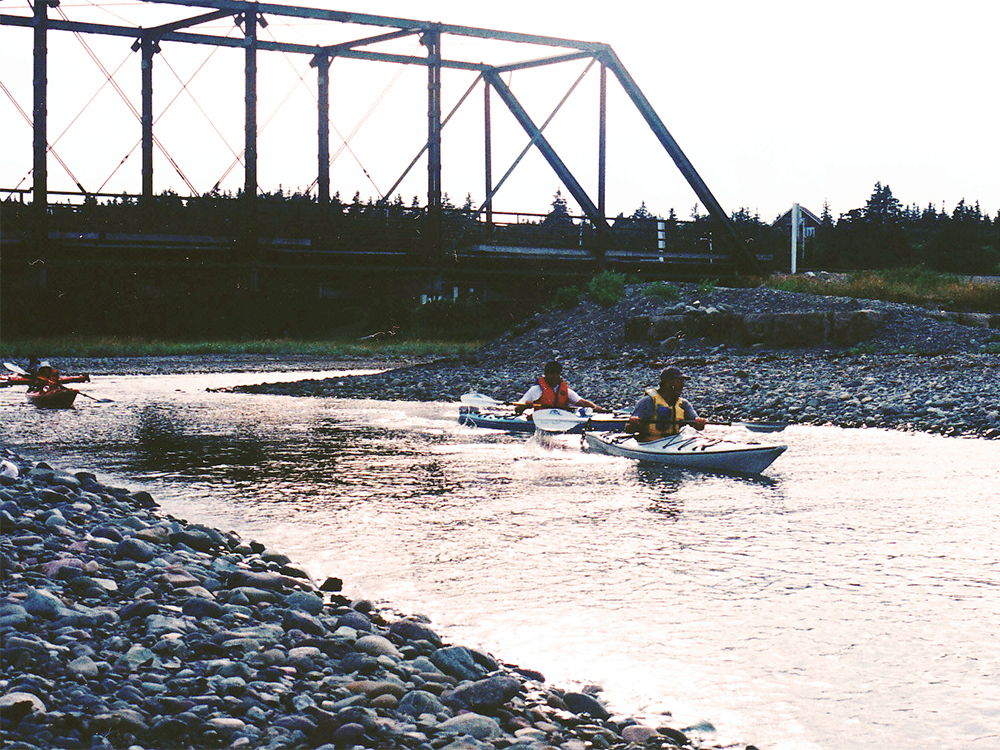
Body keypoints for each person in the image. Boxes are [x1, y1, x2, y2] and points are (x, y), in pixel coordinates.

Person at [625, 365, 707, 441]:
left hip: (674, 443)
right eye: (679, 381)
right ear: (667, 383)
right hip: (649, 443)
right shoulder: (647, 401)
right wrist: (634, 423)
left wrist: (699, 423)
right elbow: (628, 429)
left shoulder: (684, 404)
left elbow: (697, 426)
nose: (683, 385)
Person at [513, 361, 608, 414]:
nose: (554, 376)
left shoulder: (564, 390)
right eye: (551, 373)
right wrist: (526, 406)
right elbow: (517, 408)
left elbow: (582, 402)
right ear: (545, 374)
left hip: (560, 420)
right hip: (540, 421)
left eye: (557, 373)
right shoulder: (536, 390)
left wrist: (595, 407)